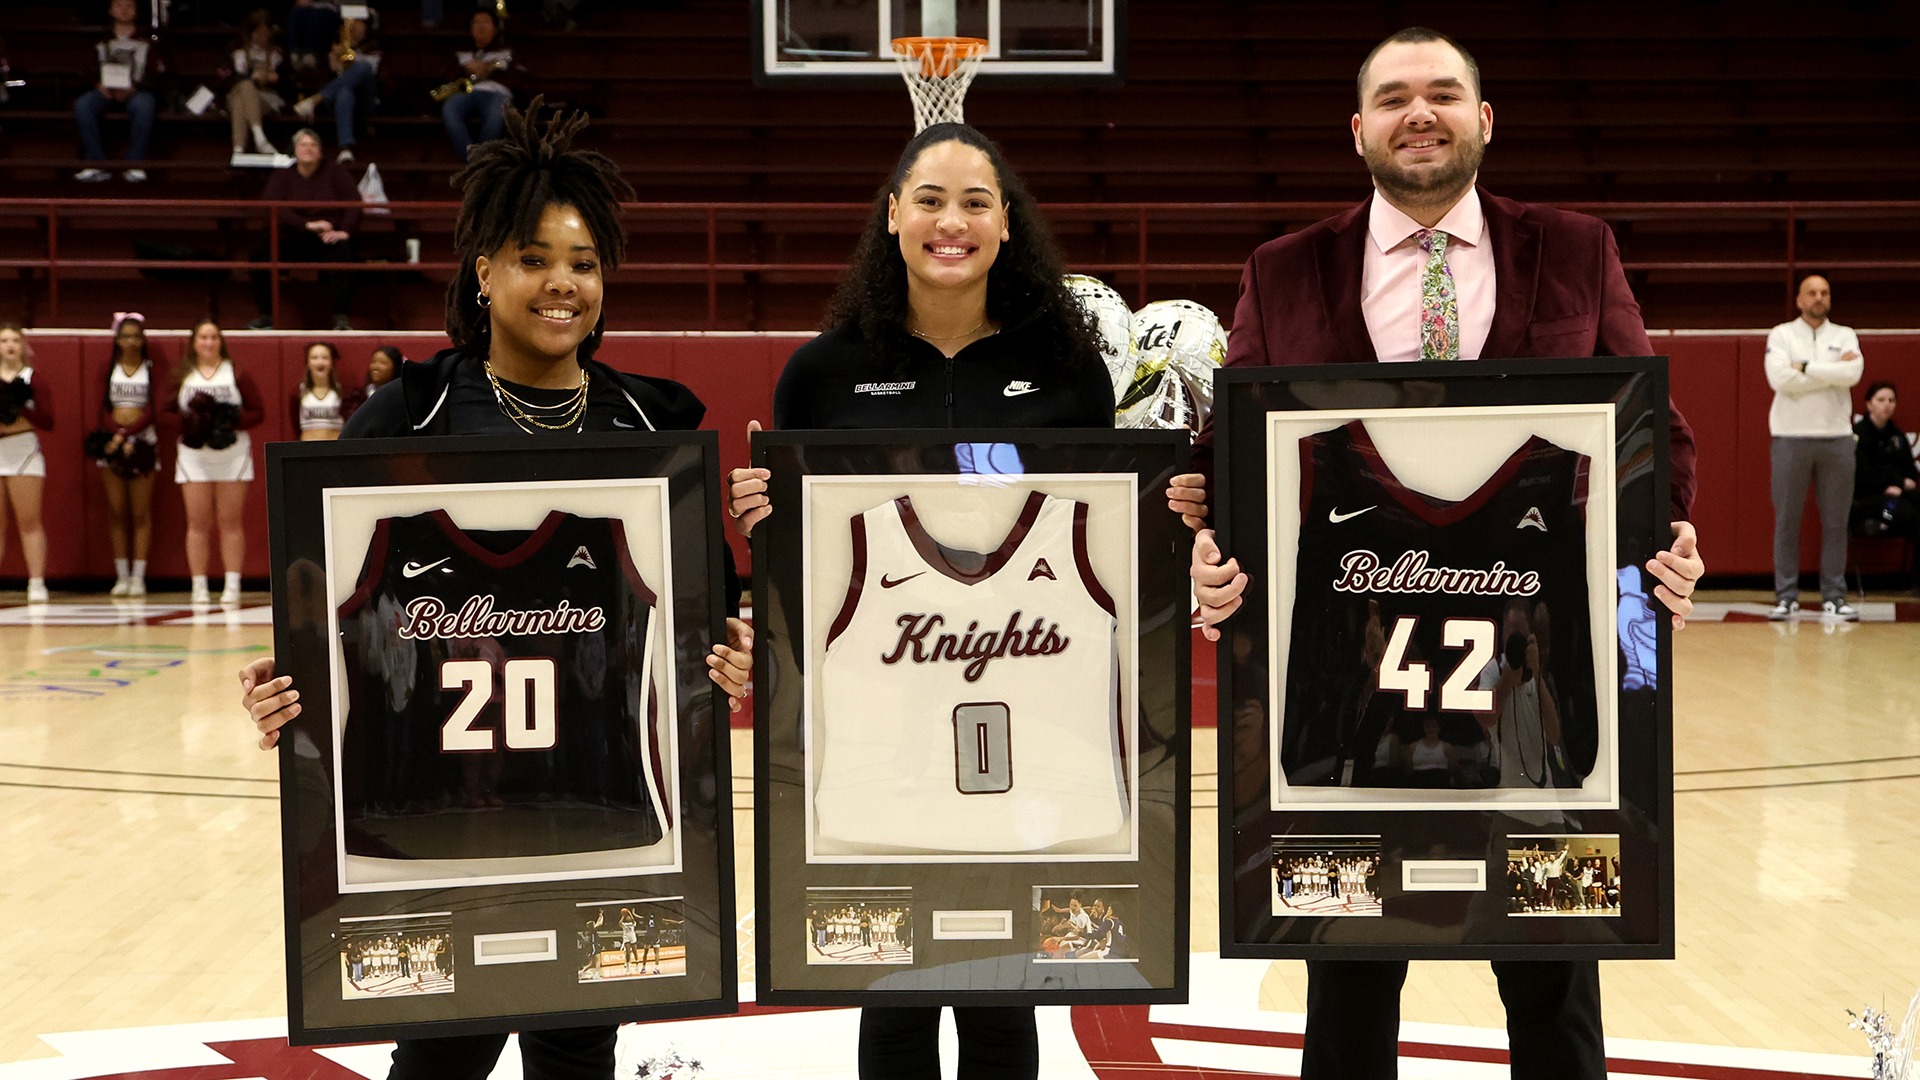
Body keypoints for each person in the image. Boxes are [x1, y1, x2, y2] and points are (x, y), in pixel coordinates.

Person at [1173, 28, 1704, 1080]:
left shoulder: (1578, 246)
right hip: (1343, 679)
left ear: (1483, 120)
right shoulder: (1281, 271)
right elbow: (1229, 459)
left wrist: (1670, 540)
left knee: (1553, 969)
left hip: (1540, 681)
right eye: (1397, 97)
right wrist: (1204, 549)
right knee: (1349, 972)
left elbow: (1655, 434)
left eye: (1445, 94)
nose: (1423, 113)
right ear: (1360, 128)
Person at [237, 98, 752, 1080]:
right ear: (483, 272)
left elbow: (703, 617)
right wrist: (284, 684)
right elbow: (325, 601)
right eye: (533, 258)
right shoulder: (410, 410)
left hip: (597, 814)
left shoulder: (655, 423)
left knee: (576, 1050)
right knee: (443, 1057)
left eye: (585, 262)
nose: (562, 282)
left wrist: (723, 657)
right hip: (437, 818)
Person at [726, 121, 1114, 1080]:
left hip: (1023, 715)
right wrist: (760, 521)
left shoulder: (1067, 370)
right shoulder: (821, 372)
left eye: (977, 201)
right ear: (892, 215)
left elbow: (1107, 536)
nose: (953, 220)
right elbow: (806, 561)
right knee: (890, 985)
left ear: (1007, 225)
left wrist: (1167, 511)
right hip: (879, 714)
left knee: (1002, 986)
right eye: (930, 199)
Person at [1765, 274, 1864, 620]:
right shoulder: (1782, 334)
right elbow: (1779, 379)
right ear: (1799, 299)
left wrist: (1805, 367)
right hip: (1790, 437)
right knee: (1787, 520)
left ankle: (1834, 595)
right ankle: (1786, 595)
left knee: (1836, 521)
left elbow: (1852, 374)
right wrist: (1830, 372)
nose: (1818, 298)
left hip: (1836, 437)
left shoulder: (1845, 334)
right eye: (1812, 292)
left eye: (1824, 292)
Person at [165, 318, 264, 606]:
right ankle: (199, 586)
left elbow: (258, 412)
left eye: (213, 337)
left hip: (232, 454)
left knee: (230, 521)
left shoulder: (236, 373)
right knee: (197, 522)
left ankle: (232, 585)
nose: (208, 343)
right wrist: (192, 424)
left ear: (221, 342)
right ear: (193, 343)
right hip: (194, 456)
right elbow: (163, 413)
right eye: (203, 338)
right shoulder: (183, 375)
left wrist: (229, 421)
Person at [249, 128, 360, 331]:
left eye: (313, 145)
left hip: (327, 238)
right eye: (303, 145)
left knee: (345, 251)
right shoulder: (282, 175)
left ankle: (341, 317)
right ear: (295, 150)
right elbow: (270, 206)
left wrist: (344, 231)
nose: (308, 149)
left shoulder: (336, 172)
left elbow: (354, 202)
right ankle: (266, 316)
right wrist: (305, 225)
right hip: (292, 236)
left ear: (320, 151)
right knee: (260, 253)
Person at [95, 314, 159, 596]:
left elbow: (154, 409)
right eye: (126, 336)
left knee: (141, 512)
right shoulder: (108, 368)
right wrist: (118, 435)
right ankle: (121, 575)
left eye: (136, 336)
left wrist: (130, 432)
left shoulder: (151, 369)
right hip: (112, 445)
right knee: (117, 511)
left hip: (143, 444)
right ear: (117, 341)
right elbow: (101, 407)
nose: (131, 341)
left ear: (143, 340)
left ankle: (139, 577)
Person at [74, 0, 166, 183]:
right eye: (119, 5)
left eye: (129, 5)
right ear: (110, 9)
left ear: (136, 11)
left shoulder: (148, 41)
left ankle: (135, 164)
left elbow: (159, 73)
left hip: (136, 91)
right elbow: (85, 69)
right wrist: (98, 85)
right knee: (83, 105)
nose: (124, 10)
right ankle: (96, 163)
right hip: (105, 90)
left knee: (145, 104)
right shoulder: (101, 40)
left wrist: (136, 87)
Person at [0, 324, 53, 604]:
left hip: (23, 449)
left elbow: (48, 421)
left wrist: (21, 407)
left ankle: (36, 582)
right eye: (3, 340)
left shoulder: (34, 378)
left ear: (23, 345)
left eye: (15, 340)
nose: (9, 345)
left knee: (29, 521)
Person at [1852, 380, 1920, 581]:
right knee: (1909, 514)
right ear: (1869, 404)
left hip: (1897, 498)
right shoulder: (1859, 435)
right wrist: (1892, 483)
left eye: (1891, 400)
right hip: (1870, 502)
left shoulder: (1897, 436)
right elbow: (1861, 476)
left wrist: (1899, 484)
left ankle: (1914, 574)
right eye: (1881, 400)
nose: (1887, 404)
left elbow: (1910, 471)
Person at [292, 13, 377, 162]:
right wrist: (336, 70)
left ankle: (315, 99)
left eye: (359, 24)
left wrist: (351, 65)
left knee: (363, 67)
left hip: (366, 101)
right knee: (344, 92)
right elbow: (320, 80)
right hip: (340, 104)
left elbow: (378, 79)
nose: (354, 29)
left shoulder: (374, 48)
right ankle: (345, 149)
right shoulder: (333, 53)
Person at [441, 8, 515, 161]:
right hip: (467, 90)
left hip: (497, 92)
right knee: (450, 109)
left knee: (497, 115)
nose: (481, 27)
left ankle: (480, 160)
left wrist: (491, 68)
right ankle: (472, 159)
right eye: (477, 23)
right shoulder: (461, 53)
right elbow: (445, 77)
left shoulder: (507, 52)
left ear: (495, 28)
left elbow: (520, 77)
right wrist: (465, 70)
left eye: (486, 23)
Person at [226, 9, 286, 158]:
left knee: (239, 100)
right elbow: (231, 79)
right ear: (250, 33)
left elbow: (288, 82)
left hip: (266, 97)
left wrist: (275, 78)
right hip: (243, 92)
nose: (262, 37)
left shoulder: (276, 55)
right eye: (258, 33)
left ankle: (238, 149)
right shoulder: (239, 53)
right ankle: (259, 138)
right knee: (244, 88)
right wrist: (253, 77)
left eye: (265, 33)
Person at [291, 340, 345, 439]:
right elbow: (295, 428)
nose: (320, 362)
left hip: (336, 449)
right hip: (307, 450)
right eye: (314, 358)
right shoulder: (297, 392)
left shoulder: (343, 391)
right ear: (307, 362)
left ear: (332, 362)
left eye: (325, 357)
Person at [343, 343, 400, 419]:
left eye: (383, 363)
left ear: (395, 368)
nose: (376, 367)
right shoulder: (358, 398)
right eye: (373, 361)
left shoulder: (401, 398)